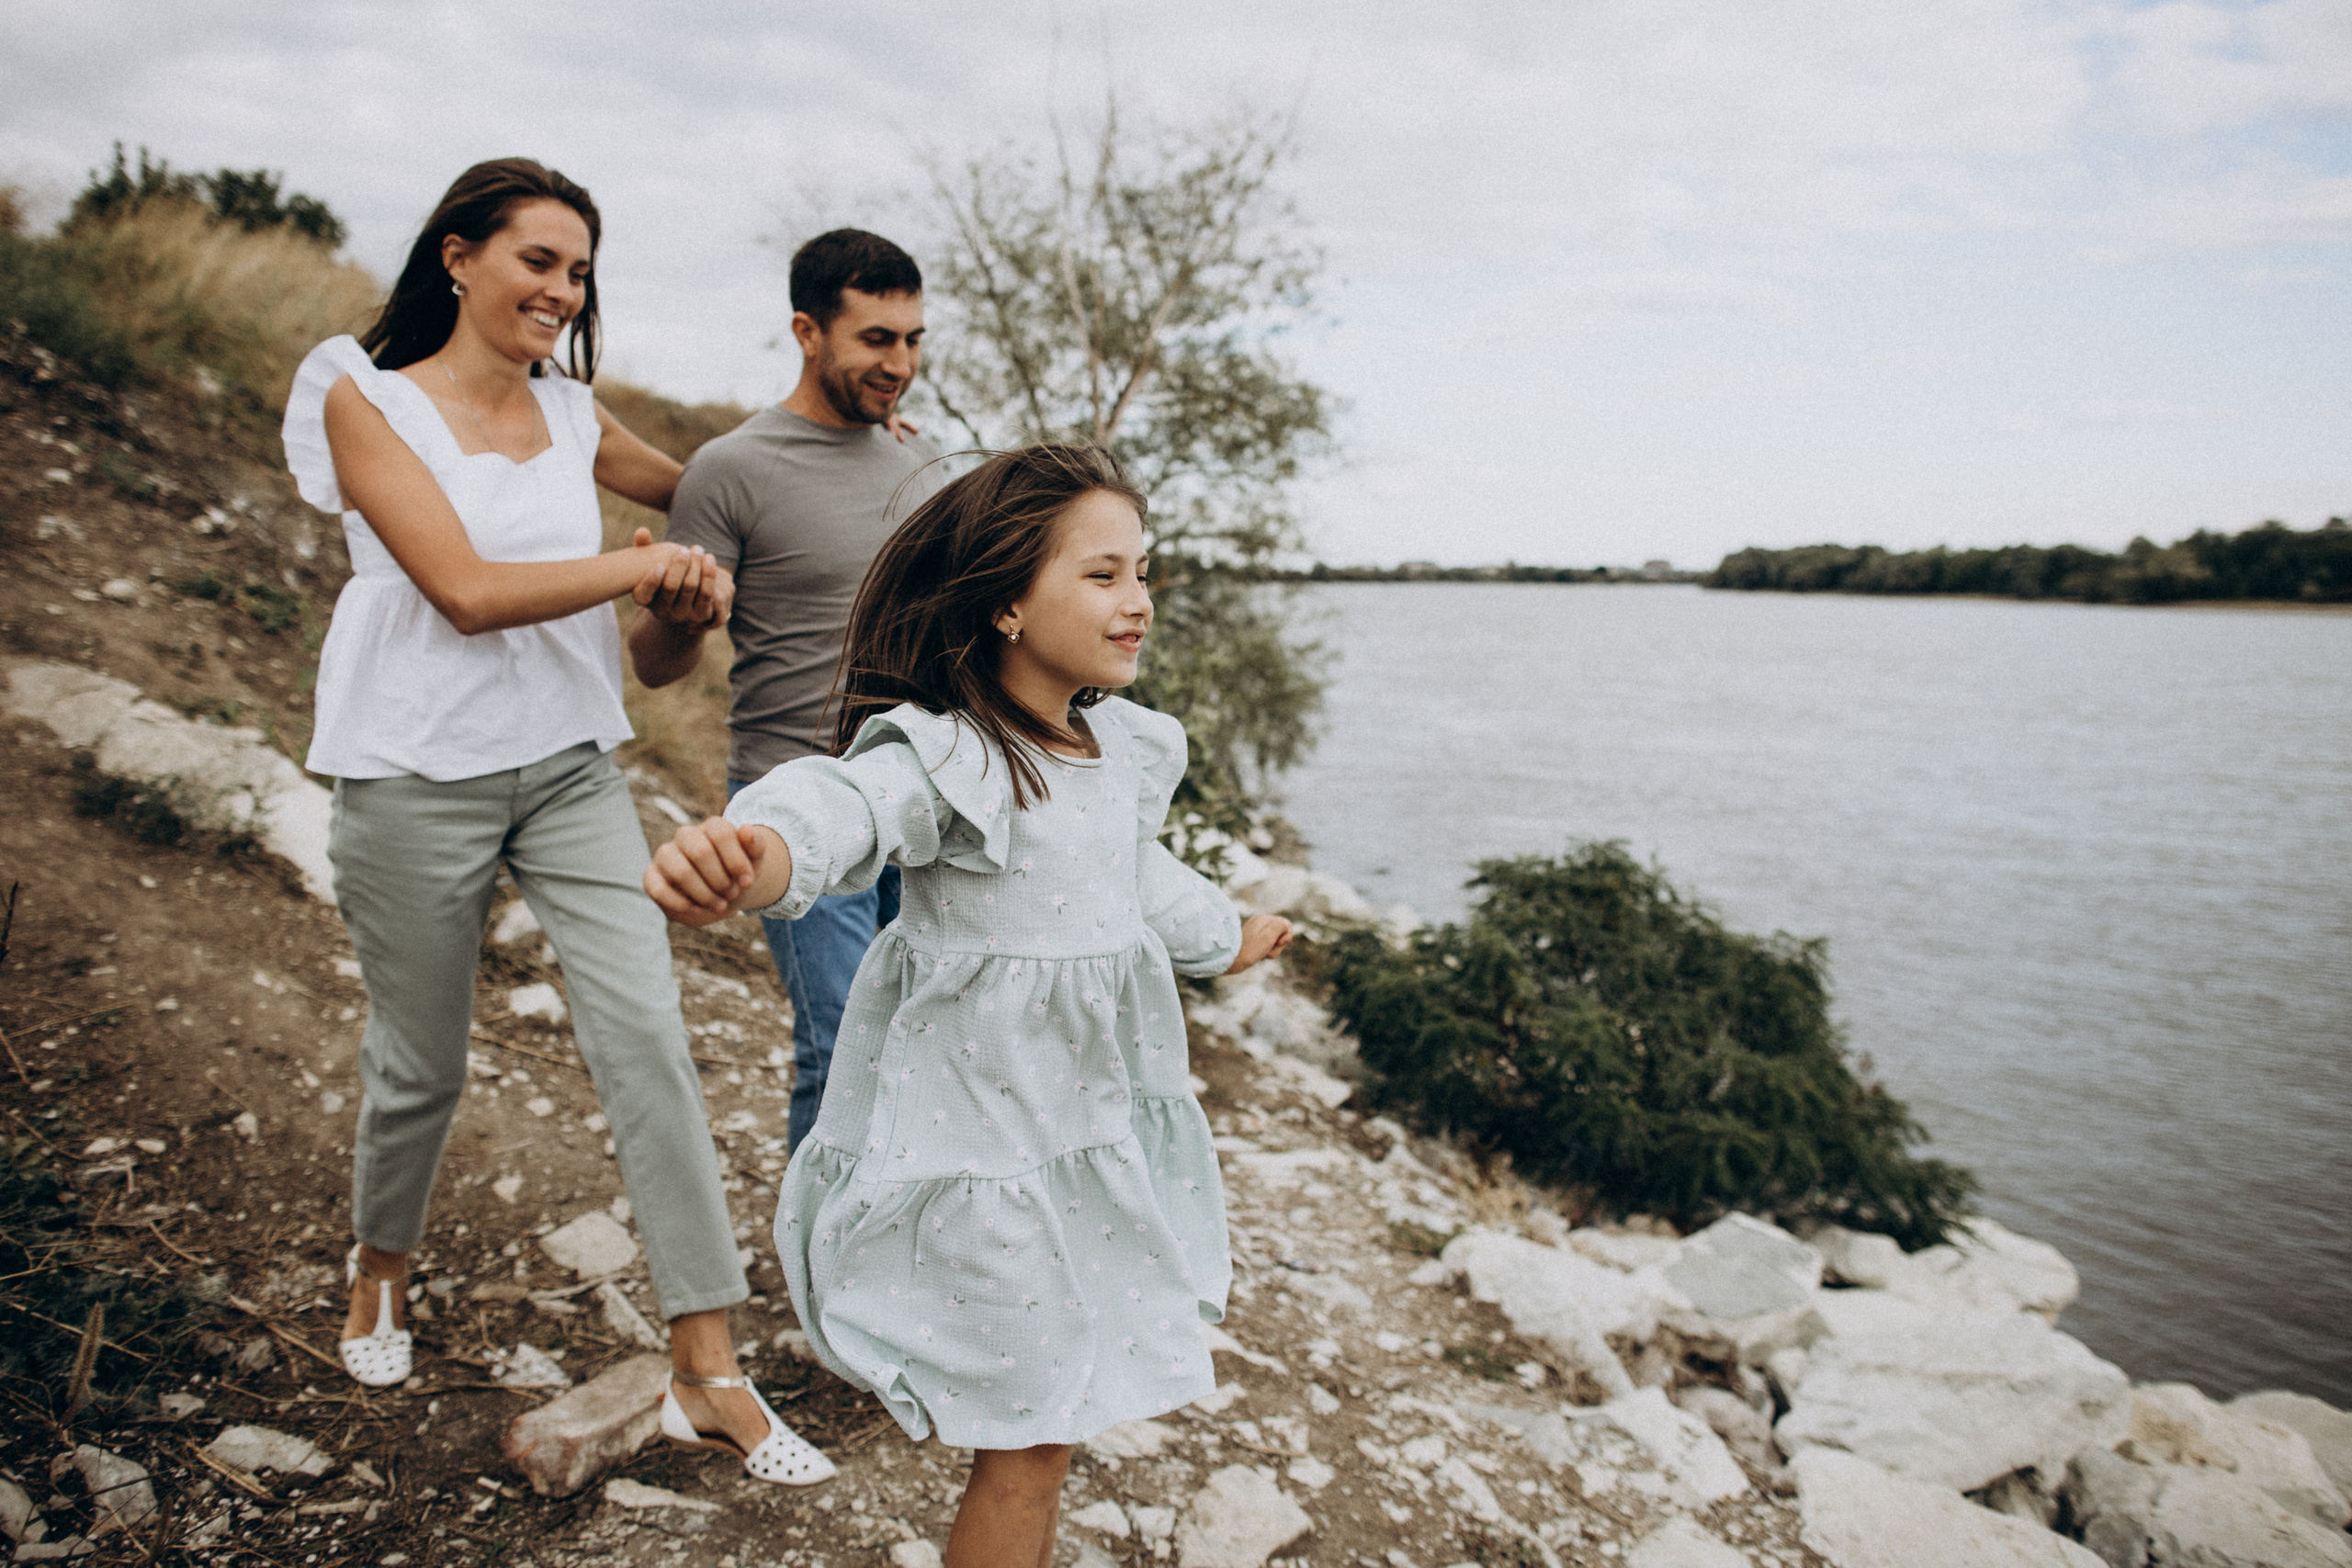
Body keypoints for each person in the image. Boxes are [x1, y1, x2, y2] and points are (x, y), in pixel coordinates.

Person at [643, 444, 1293, 1568]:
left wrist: (1222, 936)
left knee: (1051, 1429)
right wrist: (753, 852)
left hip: (1086, 1145)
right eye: (1102, 574)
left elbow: (1139, 875)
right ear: (1002, 600)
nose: (1137, 601)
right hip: (982, 1151)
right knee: (1034, 1440)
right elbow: (842, 807)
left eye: (1143, 571)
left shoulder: (1121, 749)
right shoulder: (950, 753)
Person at [282, 157, 831, 1484]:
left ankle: (711, 1367)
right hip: (414, 769)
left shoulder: (579, 415)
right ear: (459, 256)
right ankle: (380, 1270)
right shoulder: (361, 396)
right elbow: (465, 589)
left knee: (650, 1040)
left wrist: (693, 596)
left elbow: (689, 568)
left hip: (573, 766)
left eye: (579, 270)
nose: (562, 290)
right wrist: (646, 558)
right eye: (540, 260)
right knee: (422, 1061)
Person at [630, 229, 945, 1154]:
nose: (900, 364)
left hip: (921, 801)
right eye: (876, 341)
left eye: (913, 340)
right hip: (795, 803)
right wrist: (681, 613)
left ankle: (908, 1255)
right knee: (842, 1045)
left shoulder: (925, 464)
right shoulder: (729, 471)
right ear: (808, 332)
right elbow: (657, 667)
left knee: (925, 1041)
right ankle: (828, 1280)